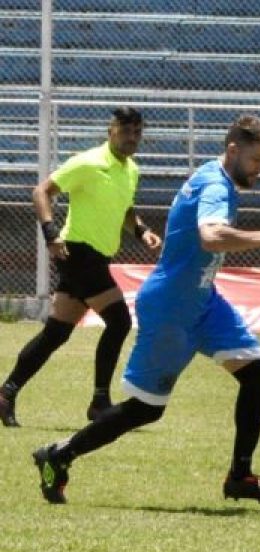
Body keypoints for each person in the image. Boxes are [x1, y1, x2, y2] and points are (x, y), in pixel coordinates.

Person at [31, 114, 260, 504]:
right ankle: (59, 455)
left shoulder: (218, 178)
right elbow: (211, 236)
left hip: (203, 300)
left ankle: (240, 478)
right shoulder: (215, 183)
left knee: (258, 375)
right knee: (145, 410)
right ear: (233, 150)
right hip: (171, 307)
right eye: (256, 160)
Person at [0, 107, 161, 427]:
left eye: (137, 132)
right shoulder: (88, 162)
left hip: (97, 257)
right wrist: (49, 233)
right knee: (119, 321)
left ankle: (6, 393)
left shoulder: (130, 169)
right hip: (78, 253)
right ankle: (100, 402)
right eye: (126, 131)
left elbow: (126, 210)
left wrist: (143, 231)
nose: (132, 138)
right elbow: (41, 191)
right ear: (110, 130)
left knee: (55, 334)